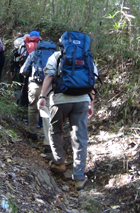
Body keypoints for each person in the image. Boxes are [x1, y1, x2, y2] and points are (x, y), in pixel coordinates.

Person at [37, 31, 98, 191]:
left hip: (60, 100)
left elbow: (49, 77)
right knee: (80, 138)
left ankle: (59, 163)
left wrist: (42, 96)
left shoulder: (56, 56)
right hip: (82, 101)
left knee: (55, 131)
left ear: (62, 43)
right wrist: (91, 103)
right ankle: (79, 177)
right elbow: (91, 81)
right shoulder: (87, 57)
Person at [20, 32, 55, 153]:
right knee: (48, 110)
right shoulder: (55, 55)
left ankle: (33, 133)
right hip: (51, 86)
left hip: (35, 84)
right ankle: (48, 142)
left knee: (33, 108)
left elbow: (23, 70)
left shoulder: (34, 54)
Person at [9, 36, 28, 107]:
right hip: (29, 71)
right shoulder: (33, 47)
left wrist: (12, 71)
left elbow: (12, 60)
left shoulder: (18, 47)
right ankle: (27, 104)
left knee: (17, 86)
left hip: (18, 69)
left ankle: (19, 103)